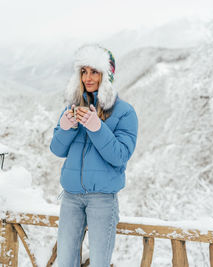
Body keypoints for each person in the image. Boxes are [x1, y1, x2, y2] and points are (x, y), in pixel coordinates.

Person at [50, 44, 138, 266]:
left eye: (95, 71)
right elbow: (57, 150)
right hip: (70, 196)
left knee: (99, 261)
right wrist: (65, 128)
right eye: (84, 71)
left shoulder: (125, 112)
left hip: (102, 198)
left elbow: (120, 156)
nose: (88, 78)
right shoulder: (72, 107)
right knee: (65, 261)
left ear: (106, 76)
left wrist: (97, 128)